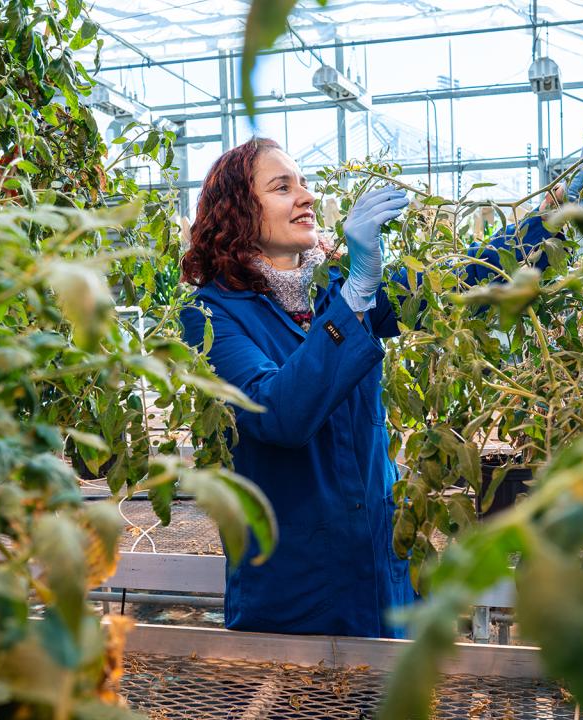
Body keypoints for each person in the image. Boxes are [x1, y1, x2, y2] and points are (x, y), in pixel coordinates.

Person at [178, 138, 559, 638]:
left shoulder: (332, 289)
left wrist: (555, 213)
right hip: (296, 591)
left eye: (304, 182)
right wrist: (356, 293)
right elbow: (277, 413)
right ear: (238, 212)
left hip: (378, 570)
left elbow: (461, 282)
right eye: (282, 186)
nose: (306, 196)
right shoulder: (210, 314)